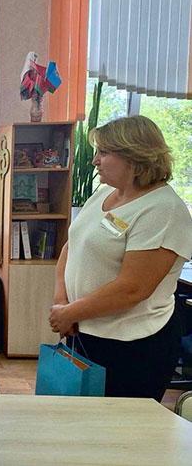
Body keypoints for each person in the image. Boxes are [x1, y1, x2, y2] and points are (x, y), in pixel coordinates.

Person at [49, 115, 192, 400]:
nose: (95, 161)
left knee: (118, 424)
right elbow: (71, 246)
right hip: (83, 330)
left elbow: (133, 289)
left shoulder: (163, 209)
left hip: (132, 345)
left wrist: (71, 313)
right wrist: (62, 303)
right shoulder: (103, 194)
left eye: (104, 152)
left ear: (135, 157)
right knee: (78, 419)